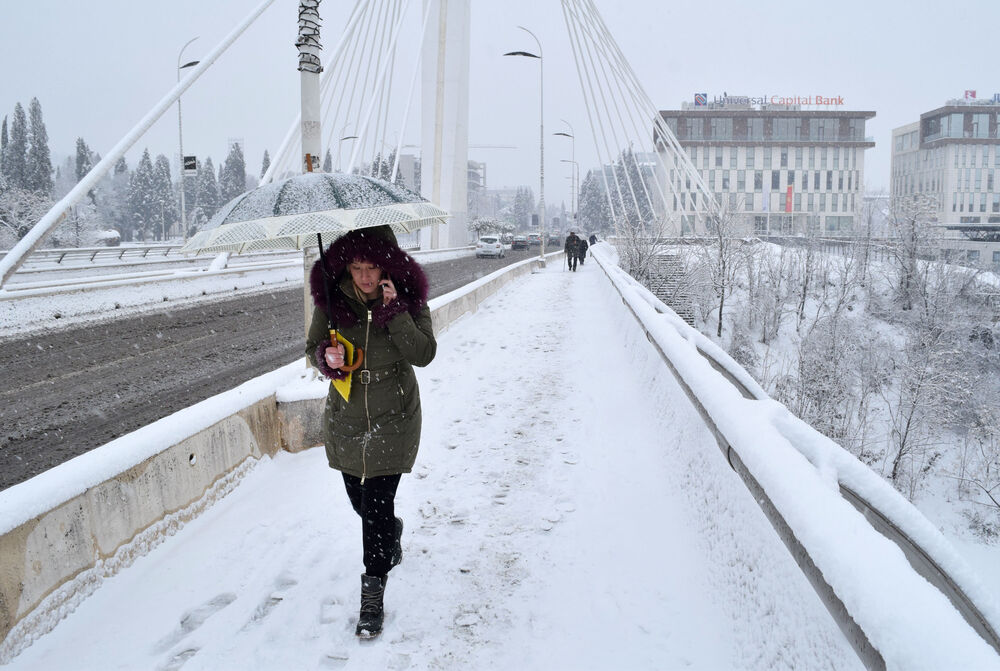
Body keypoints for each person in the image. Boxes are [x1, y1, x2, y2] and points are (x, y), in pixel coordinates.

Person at [305, 225, 437, 639]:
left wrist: (393, 313)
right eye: (357, 266)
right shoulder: (332, 297)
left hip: (393, 415)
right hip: (346, 416)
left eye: (371, 266)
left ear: (387, 266)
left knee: (376, 506)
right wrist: (326, 358)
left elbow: (424, 353)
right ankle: (390, 532)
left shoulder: (409, 298)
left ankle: (372, 596)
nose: (363, 276)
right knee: (359, 499)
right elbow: (312, 348)